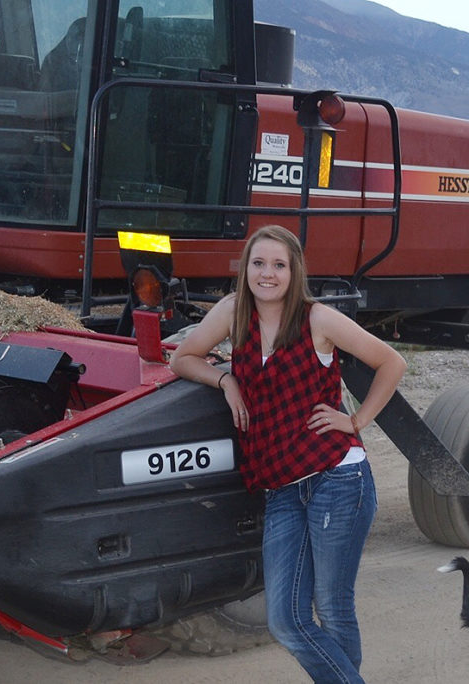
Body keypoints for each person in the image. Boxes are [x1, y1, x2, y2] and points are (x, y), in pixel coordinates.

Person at [169, 225, 406, 683]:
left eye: (279, 264)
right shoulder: (233, 313)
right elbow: (184, 356)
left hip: (337, 478)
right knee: (284, 620)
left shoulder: (318, 318)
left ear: (295, 270)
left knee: (333, 607)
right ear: (246, 269)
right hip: (279, 486)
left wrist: (355, 422)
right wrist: (224, 379)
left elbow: (391, 362)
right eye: (259, 263)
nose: (268, 274)